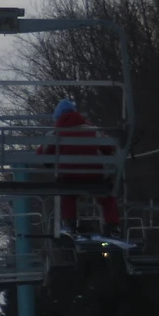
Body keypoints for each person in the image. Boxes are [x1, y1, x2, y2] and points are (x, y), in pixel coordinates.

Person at [39, 98, 119, 235]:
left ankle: (70, 223)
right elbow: (109, 148)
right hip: (95, 175)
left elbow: (44, 156)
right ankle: (111, 224)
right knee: (107, 197)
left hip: (68, 176)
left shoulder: (54, 134)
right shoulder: (93, 130)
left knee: (68, 196)